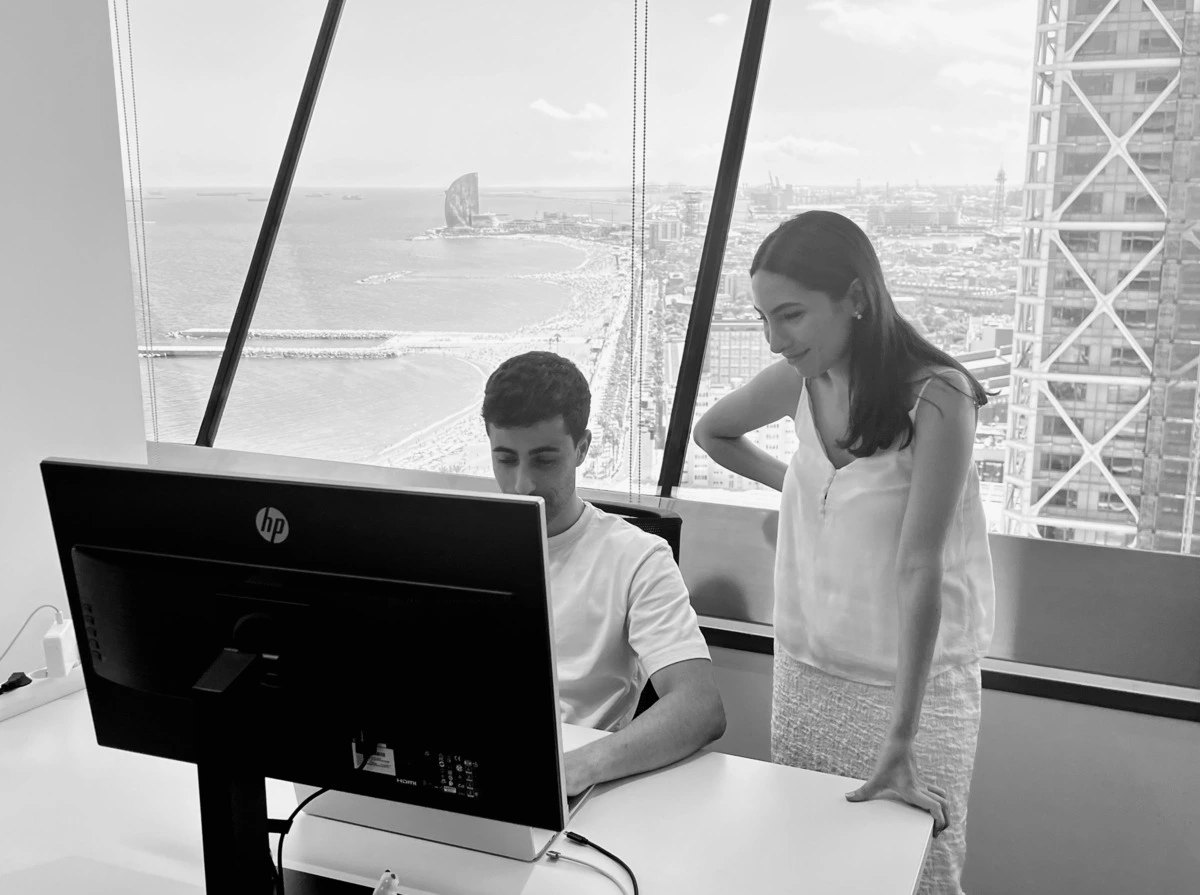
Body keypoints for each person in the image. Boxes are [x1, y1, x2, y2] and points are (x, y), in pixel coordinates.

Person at [693, 211, 995, 895]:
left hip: (910, 692)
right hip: (806, 671)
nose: (776, 338)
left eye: (792, 315)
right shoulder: (799, 379)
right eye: (764, 318)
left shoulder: (938, 396)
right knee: (807, 867)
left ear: (856, 297)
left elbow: (922, 565)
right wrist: (807, 484)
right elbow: (712, 432)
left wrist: (902, 739)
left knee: (915, 876)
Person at [482, 351, 726, 796]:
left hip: (578, 778)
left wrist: (575, 769)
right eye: (505, 459)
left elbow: (700, 706)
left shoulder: (636, 557)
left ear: (582, 448)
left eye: (544, 459)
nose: (522, 485)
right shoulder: (461, 546)